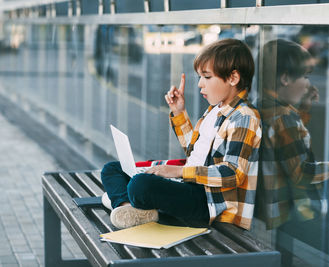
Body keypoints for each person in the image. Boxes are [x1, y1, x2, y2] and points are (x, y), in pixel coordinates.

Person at [101, 38, 262, 230]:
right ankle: (128, 209)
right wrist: (179, 112)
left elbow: (232, 174)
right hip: (188, 183)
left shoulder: (244, 117)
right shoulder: (214, 110)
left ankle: (127, 202)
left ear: (233, 78)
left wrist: (177, 171)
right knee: (112, 169)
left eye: (207, 77)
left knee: (140, 184)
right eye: (199, 77)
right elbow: (194, 151)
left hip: (208, 201)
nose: (200, 84)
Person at [257, 39, 329, 229]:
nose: (308, 85)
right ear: (285, 79)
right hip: (289, 216)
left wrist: (303, 110)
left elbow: (285, 143)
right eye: (305, 77)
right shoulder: (284, 118)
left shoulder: (263, 106)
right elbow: (302, 174)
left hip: (266, 210)